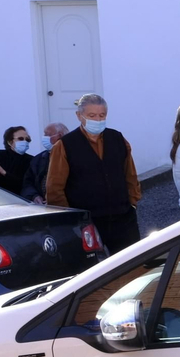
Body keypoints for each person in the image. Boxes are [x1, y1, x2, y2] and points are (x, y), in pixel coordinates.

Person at [45, 94, 142, 252]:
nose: (97, 119)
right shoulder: (65, 145)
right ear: (79, 116)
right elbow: (54, 187)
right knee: (91, 269)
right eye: (92, 115)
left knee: (133, 264)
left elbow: (130, 174)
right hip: (86, 221)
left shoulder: (117, 139)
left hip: (122, 217)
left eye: (101, 115)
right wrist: (68, 219)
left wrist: (133, 202)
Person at [22, 123, 65, 204]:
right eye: (44, 134)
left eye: (47, 135)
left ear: (60, 136)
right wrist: (34, 196)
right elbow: (27, 183)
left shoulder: (72, 156)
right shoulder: (38, 159)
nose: (44, 138)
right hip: (43, 206)